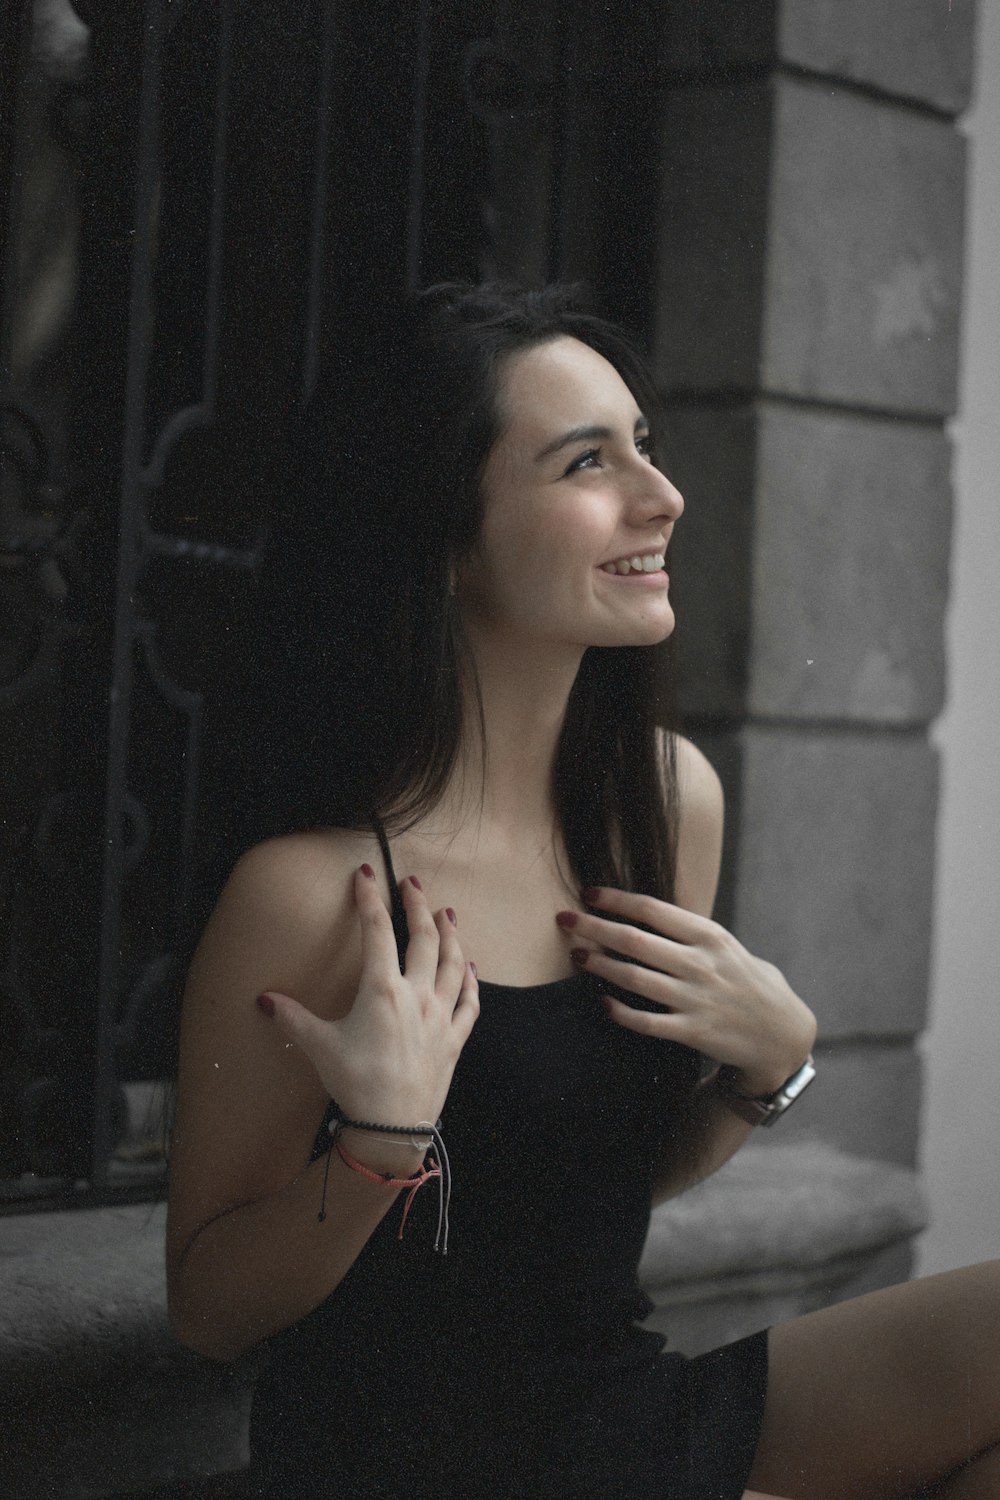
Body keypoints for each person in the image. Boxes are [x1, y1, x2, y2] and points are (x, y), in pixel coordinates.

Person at [166, 284, 1000, 1499]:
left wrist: (770, 1071)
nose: (661, 497)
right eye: (585, 463)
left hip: (615, 1411)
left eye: (643, 449)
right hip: (410, 1469)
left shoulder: (664, 807)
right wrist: (374, 1158)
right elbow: (206, 1309)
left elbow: (592, 1183)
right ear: (444, 539)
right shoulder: (309, 895)